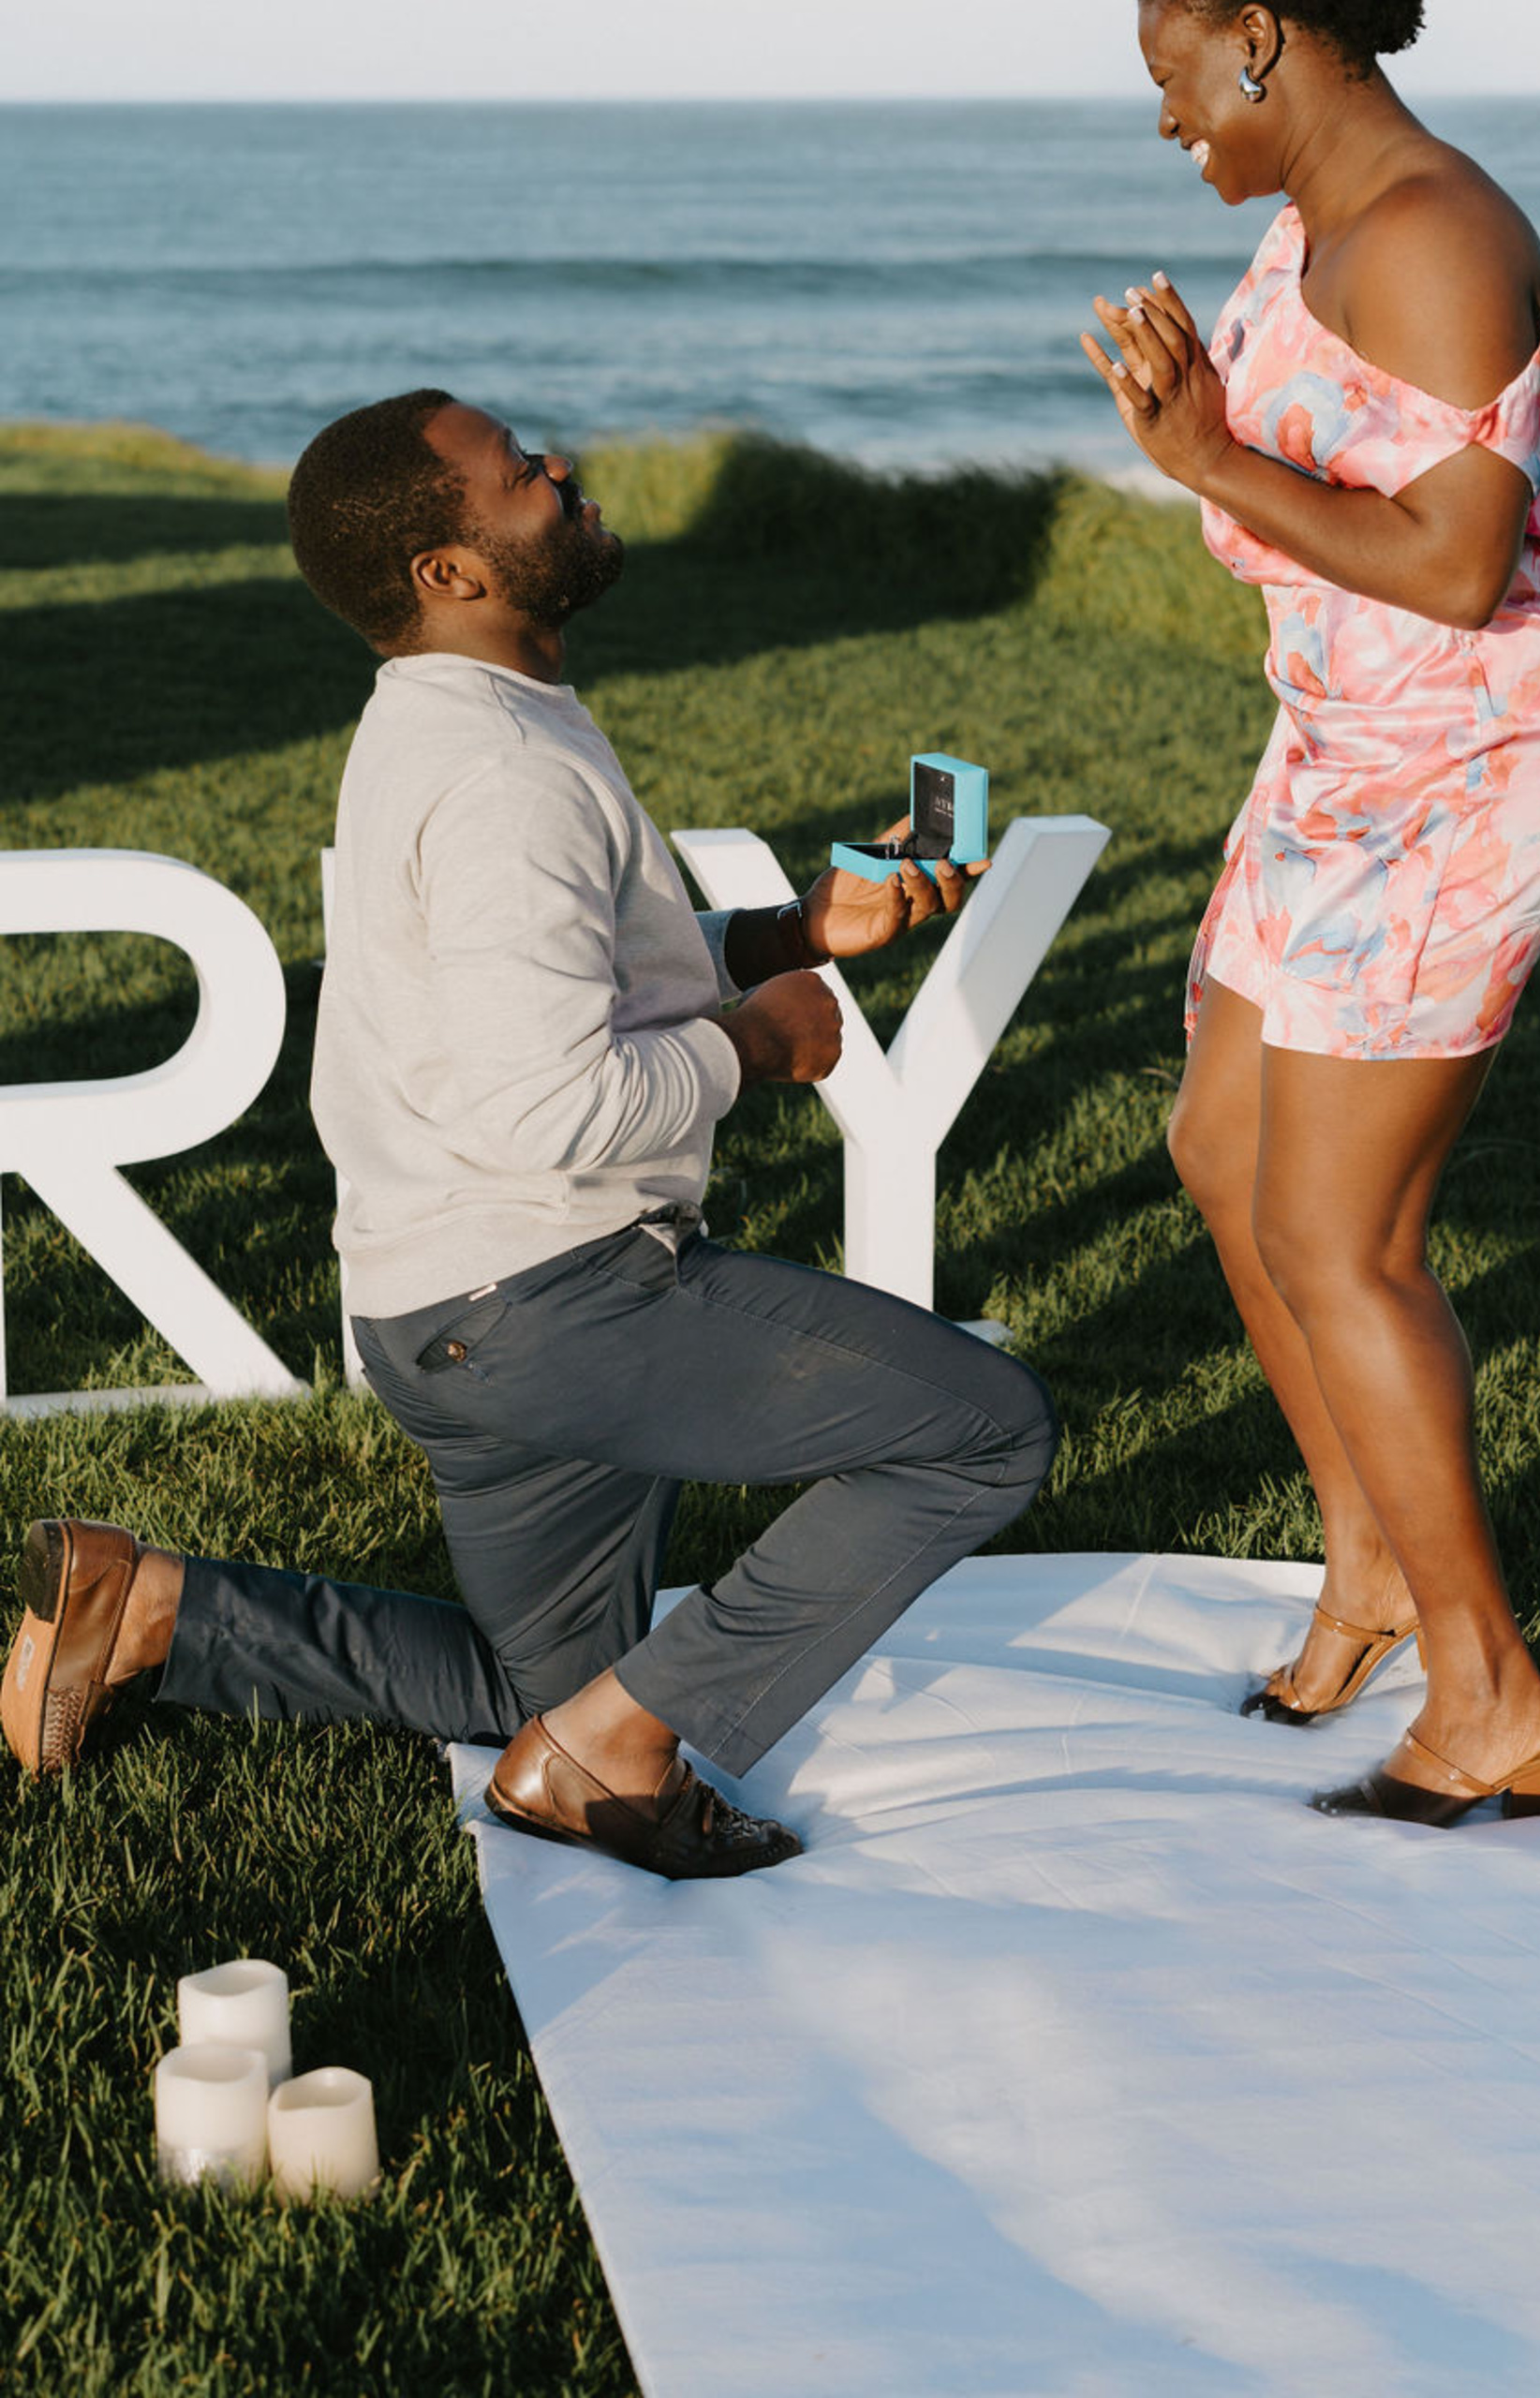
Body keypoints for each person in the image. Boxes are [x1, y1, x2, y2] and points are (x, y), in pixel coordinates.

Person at [3, 391, 1056, 1877]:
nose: (560, 471)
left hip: (436, 1307)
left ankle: (161, 1608)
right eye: (519, 474)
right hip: (553, 1301)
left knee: (535, 1696)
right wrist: (755, 1047)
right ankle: (618, 1756)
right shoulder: (506, 771)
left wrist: (781, 931)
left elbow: (554, 982)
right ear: (451, 571)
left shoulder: (451, 721)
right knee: (984, 1434)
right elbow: (549, 1102)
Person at [1083, 0, 1540, 1828]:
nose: (1166, 125)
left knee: (1347, 1235)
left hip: (1464, 765)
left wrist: (1211, 455)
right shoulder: (1307, 224)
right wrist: (1200, 445)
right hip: (1336, 754)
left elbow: (1453, 557)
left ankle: (1492, 1700)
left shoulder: (1421, 232)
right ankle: (1376, 1567)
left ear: (1257, 36)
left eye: (1173, 83)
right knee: (1224, 1156)